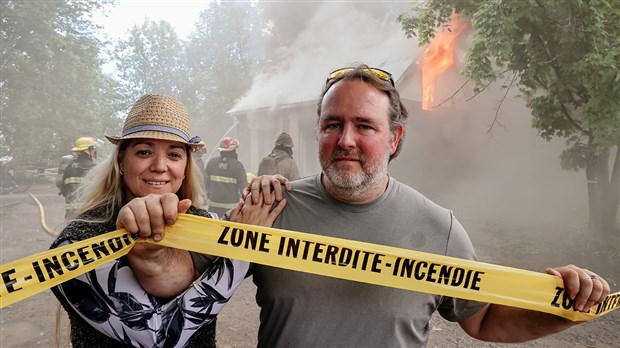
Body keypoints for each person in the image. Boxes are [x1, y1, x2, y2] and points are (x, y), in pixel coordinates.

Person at [115, 65, 610, 347]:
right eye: (332, 124)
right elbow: (175, 280)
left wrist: (566, 308)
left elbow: (481, 320)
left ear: (394, 138)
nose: (345, 139)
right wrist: (149, 242)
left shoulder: (438, 229)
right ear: (319, 133)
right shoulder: (273, 208)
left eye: (364, 126)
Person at [49, 94, 286, 348]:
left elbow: (245, 227)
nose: (160, 166)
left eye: (174, 155)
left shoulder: (200, 220)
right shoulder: (77, 241)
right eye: (144, 151)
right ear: (121, 161)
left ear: (185, 168)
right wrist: (244, 247)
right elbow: (158, 336)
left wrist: (264, 190)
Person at [204, 136, 248, 217]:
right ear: (233, 150)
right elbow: (243, 187)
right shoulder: (237, 165)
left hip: (213, 205)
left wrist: (207, 196)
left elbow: (205, 183)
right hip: (230, 208)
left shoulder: (212, 162)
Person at [60, 137, 98, 218]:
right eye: (92, 150)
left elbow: (63, 190)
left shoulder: (68, 168)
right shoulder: (92, 167)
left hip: (70, 214)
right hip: (87, 214)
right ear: (88, 151)